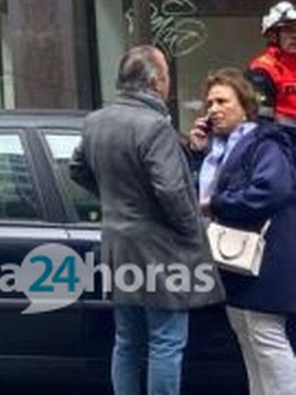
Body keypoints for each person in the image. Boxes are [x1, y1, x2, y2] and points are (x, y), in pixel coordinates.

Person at [71, 45, 222, 395]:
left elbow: (77, 169)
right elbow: (171, 191)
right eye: (167, 75)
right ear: (156, 82)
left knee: (126, 341)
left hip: (117, 245)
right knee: (166, 342)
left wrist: (114, 198)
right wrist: (191, 232)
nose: (168, 82)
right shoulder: (154, 126)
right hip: (160, 250)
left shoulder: (96, 121)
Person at [188, 69, 296, 395]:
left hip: (266, 264)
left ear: (245, 105)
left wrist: (218, 203)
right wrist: (197, 153)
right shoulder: (220, 150)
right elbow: (201, 193)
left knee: (266, 342)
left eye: (222, 101)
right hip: (239, 264)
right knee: (250, 342)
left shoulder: (265, 142)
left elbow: (271, 190)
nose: (213, 109)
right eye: (209, 103)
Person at [248, 1, 296, 126]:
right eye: (288, 30)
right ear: (273, 35)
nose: (295, 35)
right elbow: (261, 121)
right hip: (279, 141)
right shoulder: (262, 69)